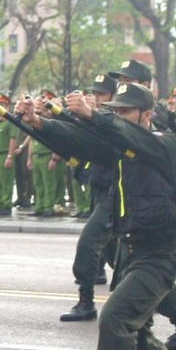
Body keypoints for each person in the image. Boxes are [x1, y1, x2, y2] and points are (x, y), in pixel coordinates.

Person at [14, 83, 176, 350]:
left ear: (147, 115)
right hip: (131, 250)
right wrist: (38, 123)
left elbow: (119, 133)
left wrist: (95, 115)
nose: (119, 116)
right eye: (116, 110)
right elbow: (80, 143)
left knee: (114, 320)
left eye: (126, 111)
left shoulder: (164, 143)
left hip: (157, 255)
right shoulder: (123, 147)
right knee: (137, 332)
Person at [59, 75, 117, 322]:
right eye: (95, 93)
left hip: (117, 195)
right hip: (100, 189)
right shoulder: (96, 121)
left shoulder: (115, 123)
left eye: (103, 94)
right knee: (117, 255)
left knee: (88, 244)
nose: (97, 98)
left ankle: (86, 302)